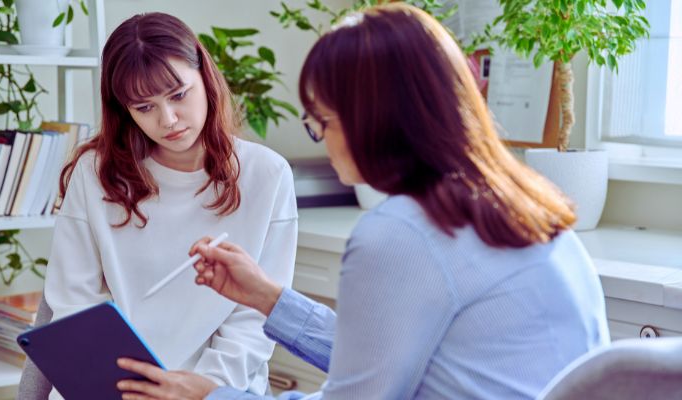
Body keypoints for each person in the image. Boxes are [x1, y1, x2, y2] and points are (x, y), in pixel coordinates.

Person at [114, 3, 610, 400]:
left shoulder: (400, 232)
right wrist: (268, 298)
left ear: (372, 119)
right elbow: (385, 354)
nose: (321, 140)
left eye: (322, 122)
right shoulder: (517, 202)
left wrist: (209, 396)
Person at [16, 12, 297, 399]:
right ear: (124, 110)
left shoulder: (267, 174)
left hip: (217, 391)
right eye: (144, 107)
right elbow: (73, 305)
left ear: (205, 77)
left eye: (179, 95)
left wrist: (195, 390)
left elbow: (254, 320)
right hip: (113, 389)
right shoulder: (95, 173)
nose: (168, 120)